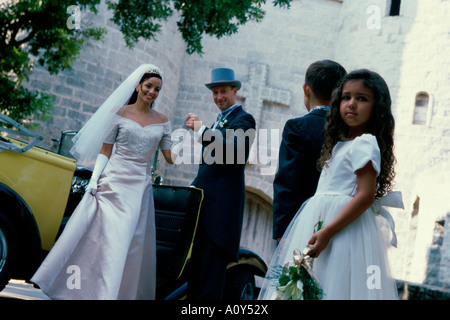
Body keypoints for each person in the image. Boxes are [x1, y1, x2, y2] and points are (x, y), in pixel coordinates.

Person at [31, 64, 176, 300]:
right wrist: (94, 180)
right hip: (113, 183)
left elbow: (169, 158)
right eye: (149, 86)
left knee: (123, 243)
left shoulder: (162, 120)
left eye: (157, 89)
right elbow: (105, 150)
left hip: (138, 189)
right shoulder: (119, 113)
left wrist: (188, 141)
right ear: (138, 86)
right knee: (101, 241)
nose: (152, 92)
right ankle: (81, 291)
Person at [259, 69, 403, 300]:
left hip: (342, 230)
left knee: (336, 286)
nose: (352, 104)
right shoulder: (338, 145)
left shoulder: (365, 143)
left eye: (362, 98)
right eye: (346, 97)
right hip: (320, 223)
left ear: (377, 108)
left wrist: (328, 231)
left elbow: (365, 196)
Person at [184, 68, 256, 299]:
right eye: (215, 92)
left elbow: (234, 154)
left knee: (209, 286)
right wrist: (190, 190)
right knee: (195, 280)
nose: (218, 97)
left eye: (223, 91)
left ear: (235, 91)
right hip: (204, 214)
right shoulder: (219, 121)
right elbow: (210, 169)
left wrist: (202, 131)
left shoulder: (244, 120)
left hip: (220, 218)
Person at [273, 60, 347, 241]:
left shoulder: (297, 127)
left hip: (302, 225)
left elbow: (286, 182)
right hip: (341, 224)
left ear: (306, 89)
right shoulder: (350, 129)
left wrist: (282, 232)